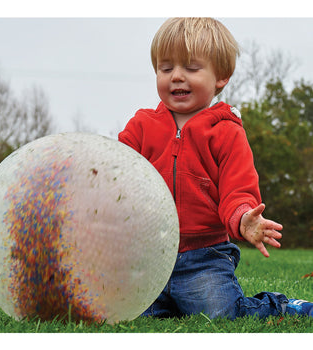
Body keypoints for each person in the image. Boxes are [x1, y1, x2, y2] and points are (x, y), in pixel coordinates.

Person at [118, 17, 313, 320]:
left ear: (221, 76)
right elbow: (114, 172)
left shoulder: (227, 132)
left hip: (204, 257)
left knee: (219, 312)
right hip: (148, 257)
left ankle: (283, 306)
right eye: (166, 68)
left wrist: (242, 218)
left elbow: (238, 191)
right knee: (126, 313)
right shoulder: (141, 127)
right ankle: (166, 303)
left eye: (191, 68)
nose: (177, 77)